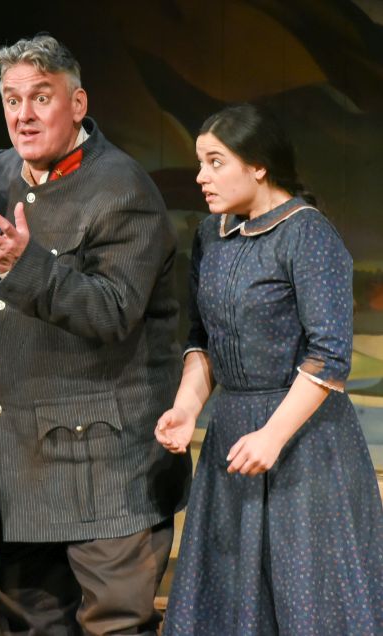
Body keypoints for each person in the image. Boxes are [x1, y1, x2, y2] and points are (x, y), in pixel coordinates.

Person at [0, 34, 190, 635]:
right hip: (23, 466)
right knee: (30, 626)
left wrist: (24, 266)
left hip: (108, 473)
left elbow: (112, 311)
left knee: (116, 627)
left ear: (78, 103)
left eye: (41, 97)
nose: (24, 115)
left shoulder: (123, 189)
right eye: (12, 100)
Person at [155, 103, 383, 635]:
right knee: (229, 600)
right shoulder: (212, 235)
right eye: (200, 162)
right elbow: (202, 338)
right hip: (233, 437)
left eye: (215, 162)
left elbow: (329, 355)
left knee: (308, 601)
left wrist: (273, 436)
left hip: (303, 442)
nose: (201, 176)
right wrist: (187, 408)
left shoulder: (307, 235)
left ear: (258, 165)